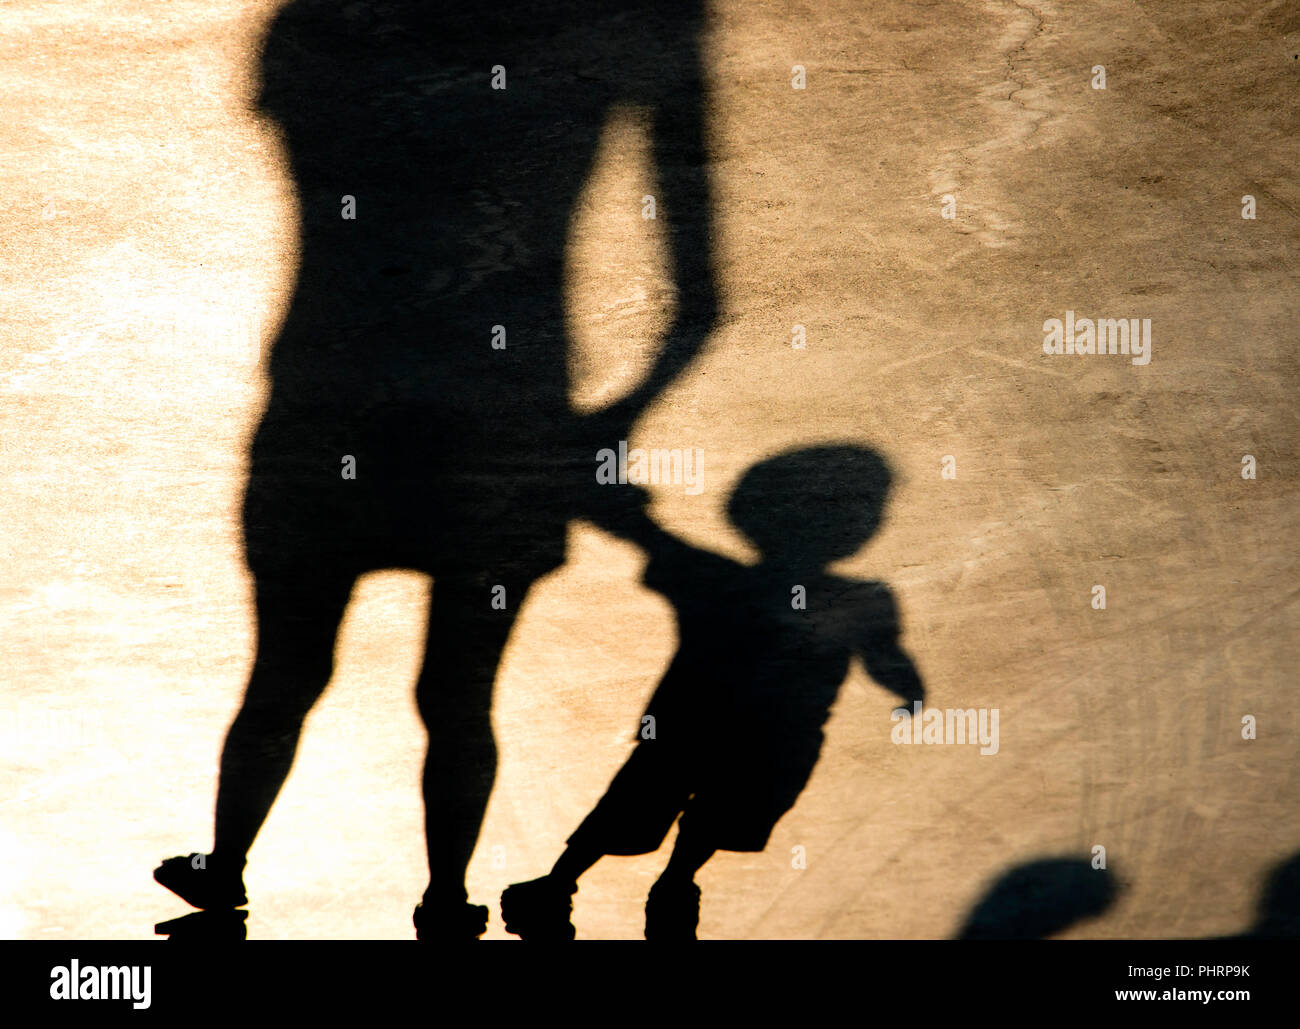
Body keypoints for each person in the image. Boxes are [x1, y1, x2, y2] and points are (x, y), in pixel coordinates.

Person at [154, 0, 718, 939]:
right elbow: (698, 301)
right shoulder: (620, 35)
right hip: (503, 415)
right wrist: (602, 424)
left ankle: (227, 864)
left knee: (284, 673)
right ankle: (446, 896)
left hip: (331, 400)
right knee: (459, 697)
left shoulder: (320, 27)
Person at [501, 445, 924, 939]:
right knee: (668, 810)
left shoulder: (718, 579)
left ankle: (589, 885)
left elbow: (642, 532)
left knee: (658, 809)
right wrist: (907, 689)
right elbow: (885, 654)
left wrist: (594, 481)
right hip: (750, 737)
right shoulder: (854, 598)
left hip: (708, 730)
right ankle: (633, 886)